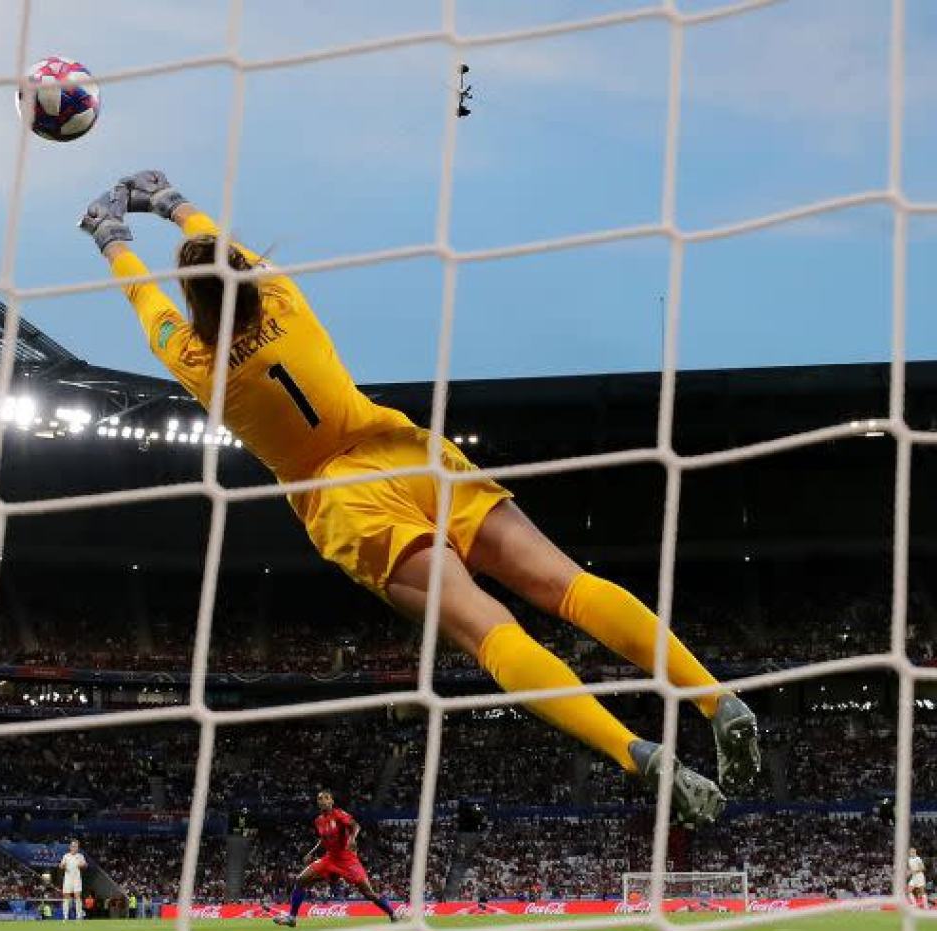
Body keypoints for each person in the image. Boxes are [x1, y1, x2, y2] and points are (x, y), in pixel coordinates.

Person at [79, 173, 761, 824]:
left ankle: (634, 752)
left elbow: (147, 303)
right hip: (410, 453)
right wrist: (170, 201)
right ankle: (714, 697)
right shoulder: (282, 298)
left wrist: (110, 236)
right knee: (568, 586)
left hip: (345, 499)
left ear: (196, 303)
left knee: (489, 632)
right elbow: (224, 248)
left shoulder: (196, 360)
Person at [272, 790, 397, 928]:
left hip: (347, 859)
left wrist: (352, 839)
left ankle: (392, 913)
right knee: (301, 879)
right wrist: (311, 852)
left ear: (331, 801)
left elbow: (355, 826)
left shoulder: (338, 814)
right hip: (330, 859)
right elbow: (323, 840)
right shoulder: (318, 820)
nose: (322, 801)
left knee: (368, 893)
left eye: (326, 798)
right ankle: (292, 917)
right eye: (320, 798)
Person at [59, 839, 87, 922]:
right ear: (70, 847)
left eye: (76, 846)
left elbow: (85, 865)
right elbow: (60, 866)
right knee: (66, 897)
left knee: (77, 896)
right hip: (68, 879)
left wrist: (83, 865)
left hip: (77, 879)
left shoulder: (80, 856)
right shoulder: (66, 856)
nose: (74, 847)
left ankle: (79, 917)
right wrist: (63, 866)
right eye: (73, 846)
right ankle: (65, 917)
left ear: (78, 847)